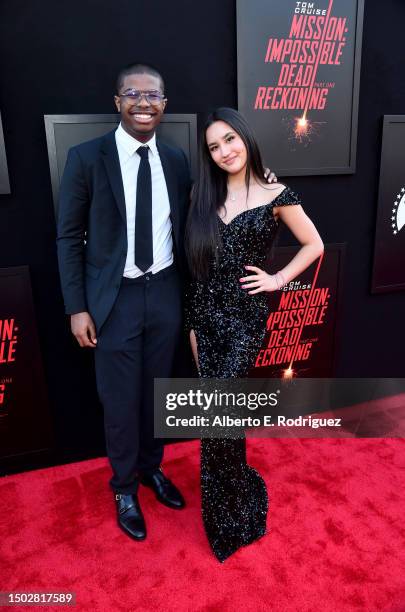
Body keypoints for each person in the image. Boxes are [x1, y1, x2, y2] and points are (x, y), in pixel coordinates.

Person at [57, 63, 191, 542]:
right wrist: (77, 307)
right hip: (114, 300)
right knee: (119, 401)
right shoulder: (86, 157)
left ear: (164, 104)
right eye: (132, 94)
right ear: (117, 102)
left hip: (166, 292)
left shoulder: (176, 160)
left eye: (152, 95)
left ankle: (152, 469)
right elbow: (69, 237)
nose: (143, 102)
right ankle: (123, 487)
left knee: (157, 394)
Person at [185, 107, 324, 562]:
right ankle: (235, 491)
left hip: (245, 320)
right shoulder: (203, 198)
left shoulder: (277, 192)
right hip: (204, 319)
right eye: (213, 146)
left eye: (229, 140)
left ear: (244, 137)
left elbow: (314, 245)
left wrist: (277, 279)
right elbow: (195, 272)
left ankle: (229, 517)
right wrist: (192, 329)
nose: (224, 151)